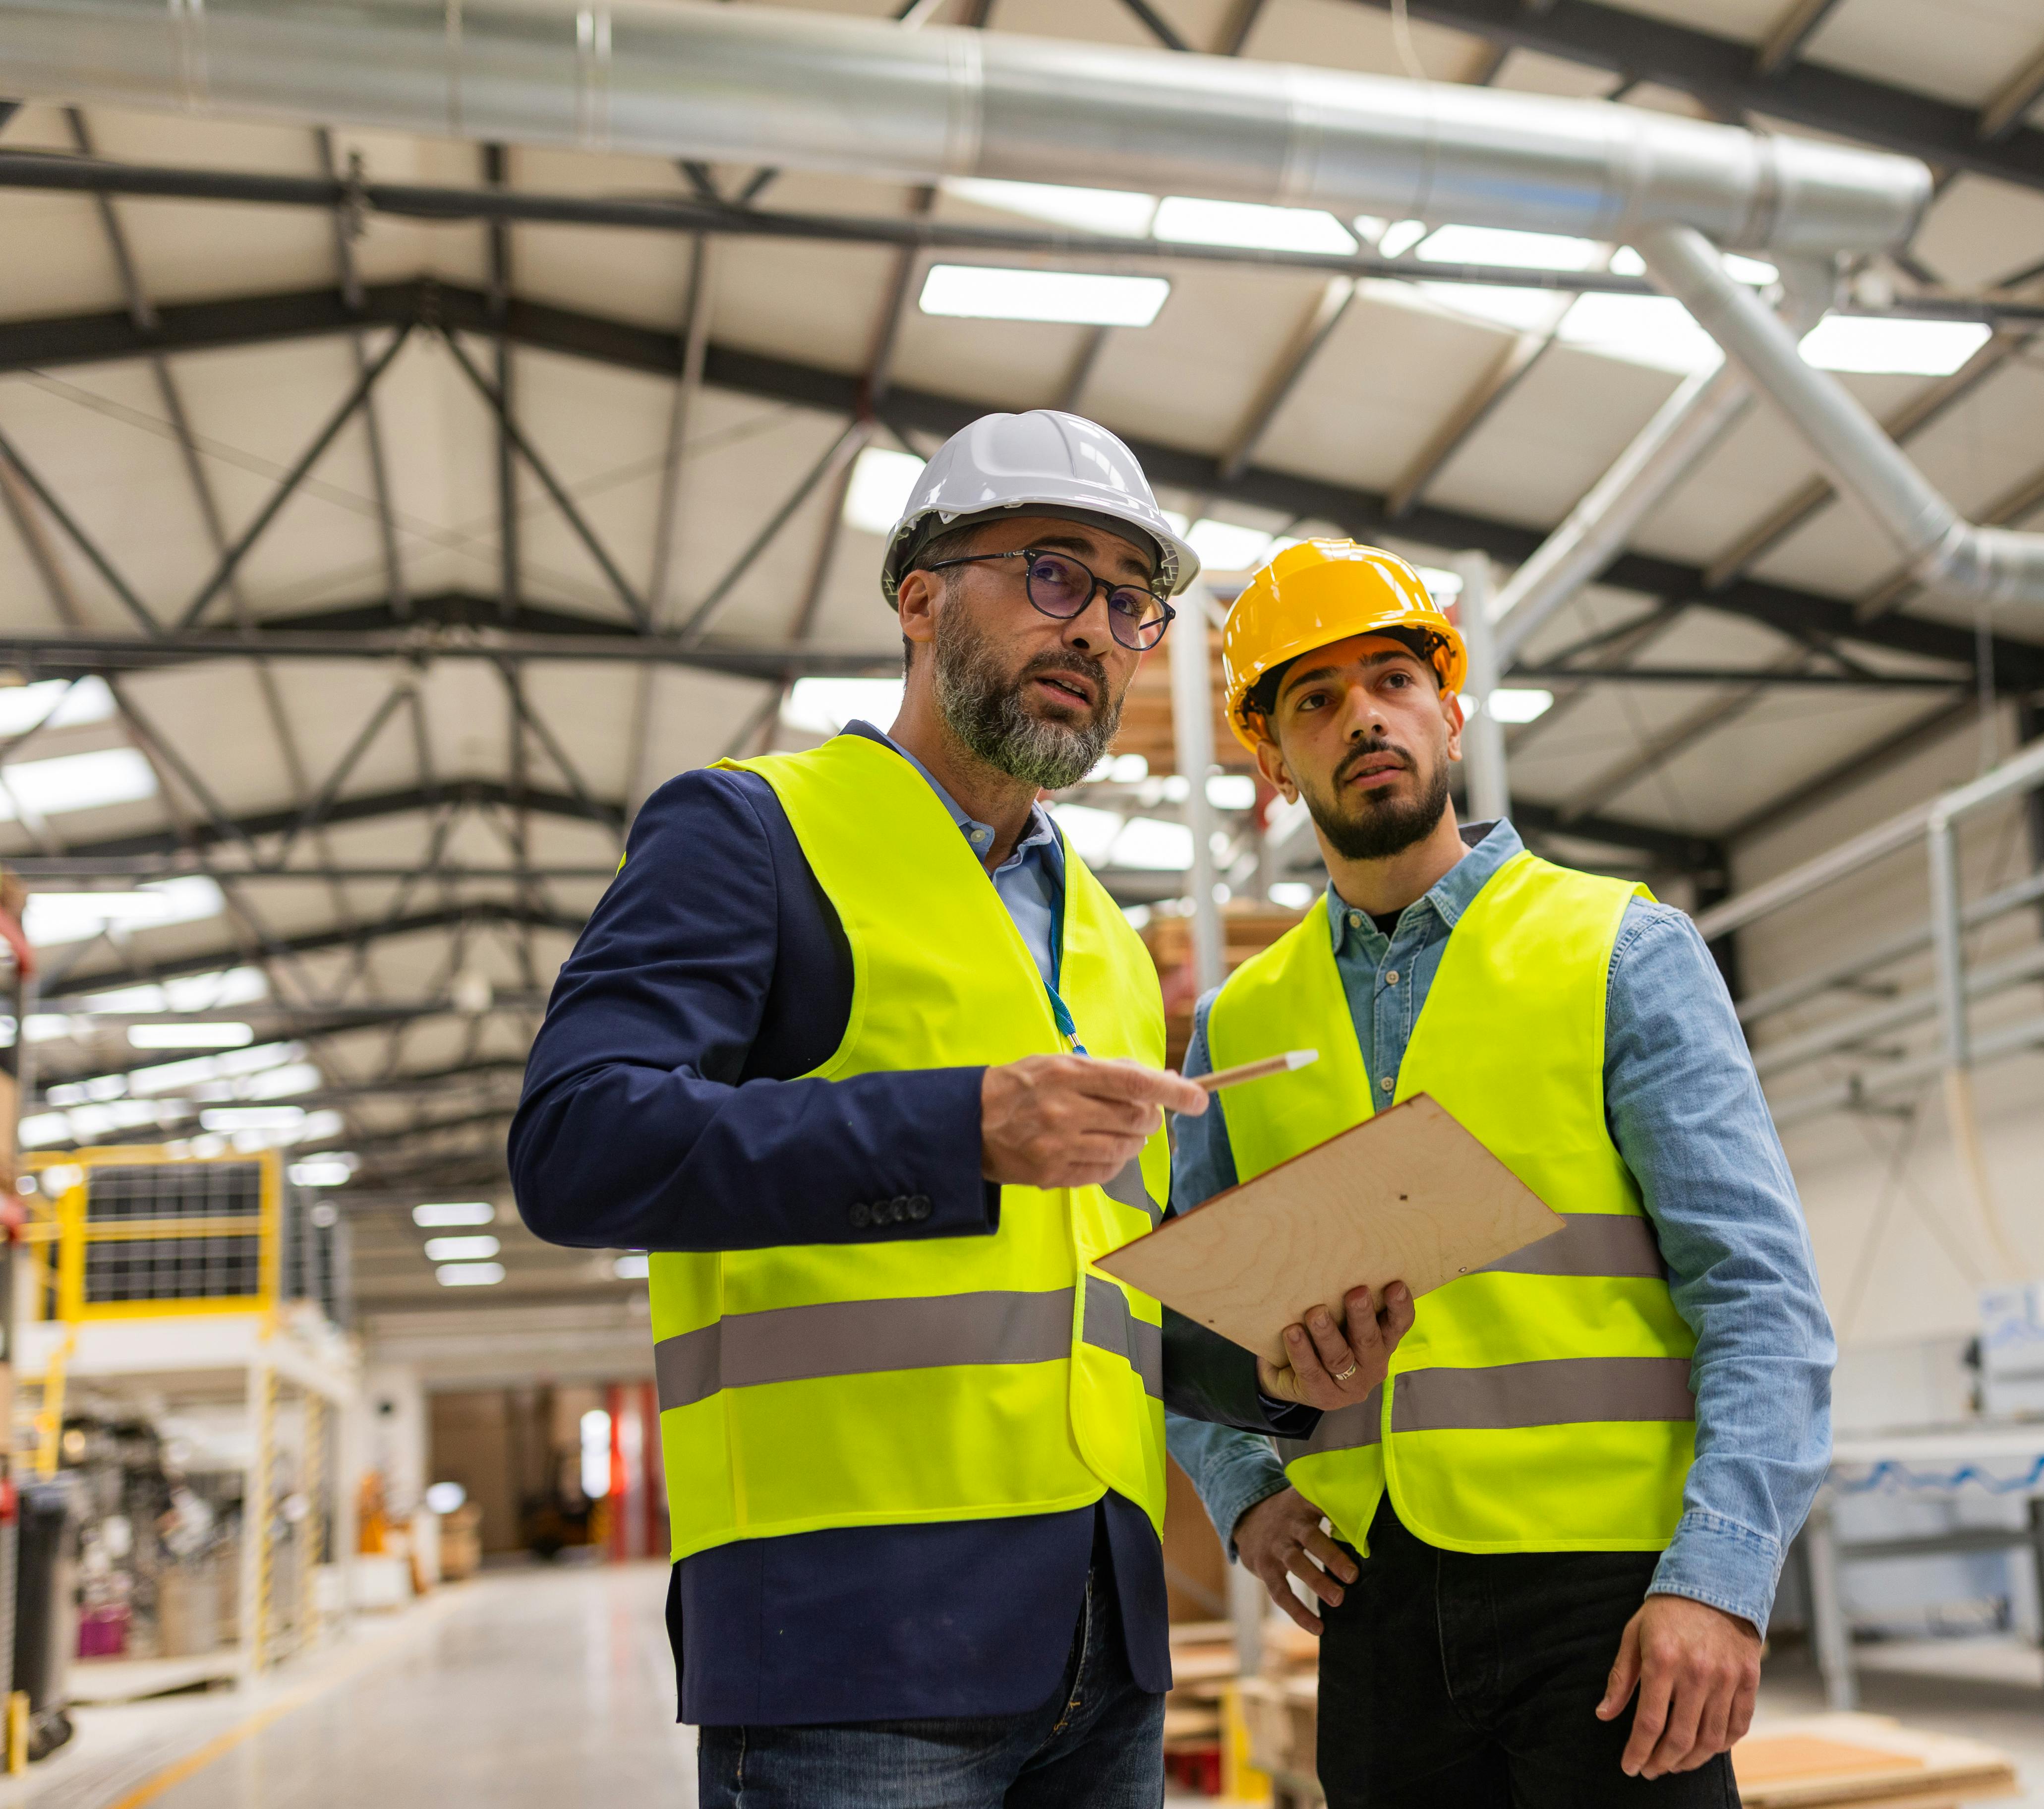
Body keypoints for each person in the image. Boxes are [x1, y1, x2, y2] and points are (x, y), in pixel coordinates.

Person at [510, 415, 1414, 1809]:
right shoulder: (752, 834)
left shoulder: (1108, 941)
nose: (1096, 629)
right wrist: (959, 1132)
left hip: (1104, 1641)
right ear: (920, 599)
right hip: (848, 1639)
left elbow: (1098, 1297)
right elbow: (579, 1145)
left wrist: (1280, 1372)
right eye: (1054, 574)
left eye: (1131, 602)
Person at [1165, 540, 1832, 1807]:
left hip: (1612, 1598)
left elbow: (1758, 1294)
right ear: (1273, 761)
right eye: (1315, 698)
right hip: (1375, 1605)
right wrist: (1244, 1494)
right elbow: (1193, 1327)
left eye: (1394, 680)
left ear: (1451, 713)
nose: (1364, 715)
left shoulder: (1618, 951)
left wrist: (1721, 1579)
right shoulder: (1239, 1025)